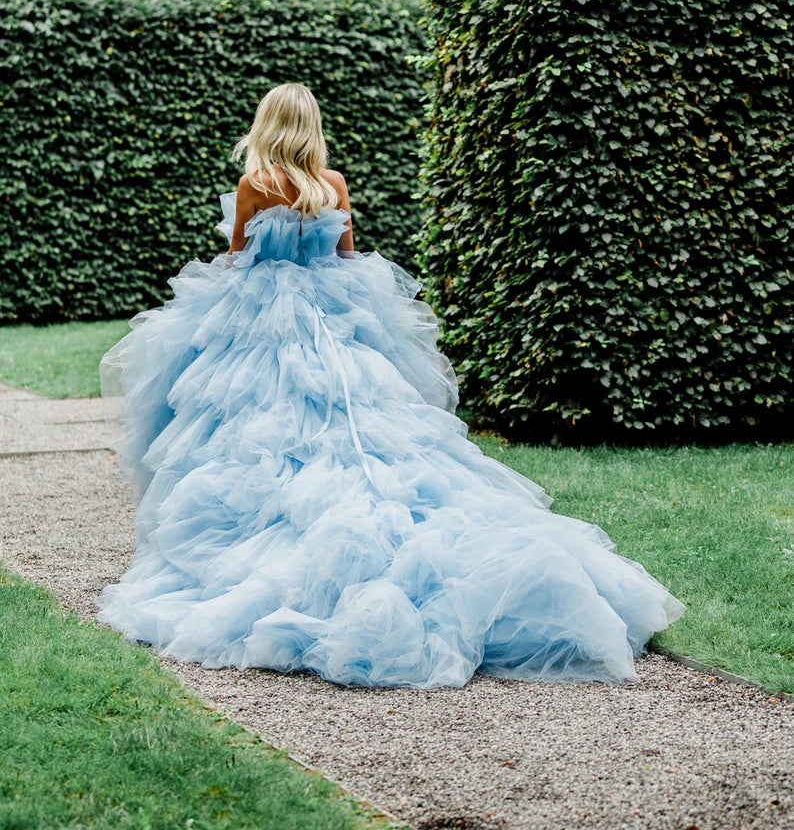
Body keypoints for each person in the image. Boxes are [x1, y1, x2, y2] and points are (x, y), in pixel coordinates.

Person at [95, 81, 685, 688]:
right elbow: (347, 257)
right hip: (329, 311)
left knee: (259, 420)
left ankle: (256, 527)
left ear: (268, 125)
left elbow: (241, 256)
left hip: (265, 315)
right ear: (312, 128)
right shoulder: (334, 185)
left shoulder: (255, 186)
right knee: (362, 411)